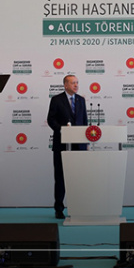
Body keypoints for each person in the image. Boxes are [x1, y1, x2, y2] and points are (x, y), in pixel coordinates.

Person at [46, 74, 87, 219]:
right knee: (60, 178)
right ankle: (59, 208)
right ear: (65, 85)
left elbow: (84, 123)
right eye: (73, 83)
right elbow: (50, 120)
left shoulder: (81, 100)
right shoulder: (56, 100)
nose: (76, 85)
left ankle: (79, 207)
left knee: (79, 178)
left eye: (77, 82)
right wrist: (63, 130)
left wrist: (86, 144)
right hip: (61, 145)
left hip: (79, 146)